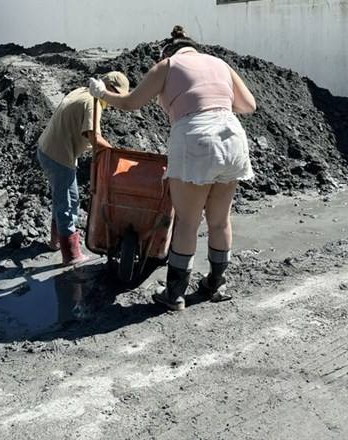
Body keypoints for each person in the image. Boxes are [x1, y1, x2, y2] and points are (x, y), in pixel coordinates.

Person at [89, 26, 256, 310]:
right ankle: (215, 284)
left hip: (196, 138)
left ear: (167, 52)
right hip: (233, 138)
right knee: (219, 220)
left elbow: (131, 102)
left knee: (188, 222)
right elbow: (248, 105)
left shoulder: (168, 65)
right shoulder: (220, 64)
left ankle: (174, 294)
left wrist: (102, 93)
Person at [37, 71, 130, 266]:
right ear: (109, 89)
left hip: (49, 149)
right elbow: (94, 137)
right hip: (59, 156)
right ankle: (71, 255)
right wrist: (117, 156)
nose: (115, 101)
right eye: (117, 95)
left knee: (64, 197)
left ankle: (55, 242)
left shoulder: (83, 91)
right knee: (68, 203)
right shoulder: (92, 103)